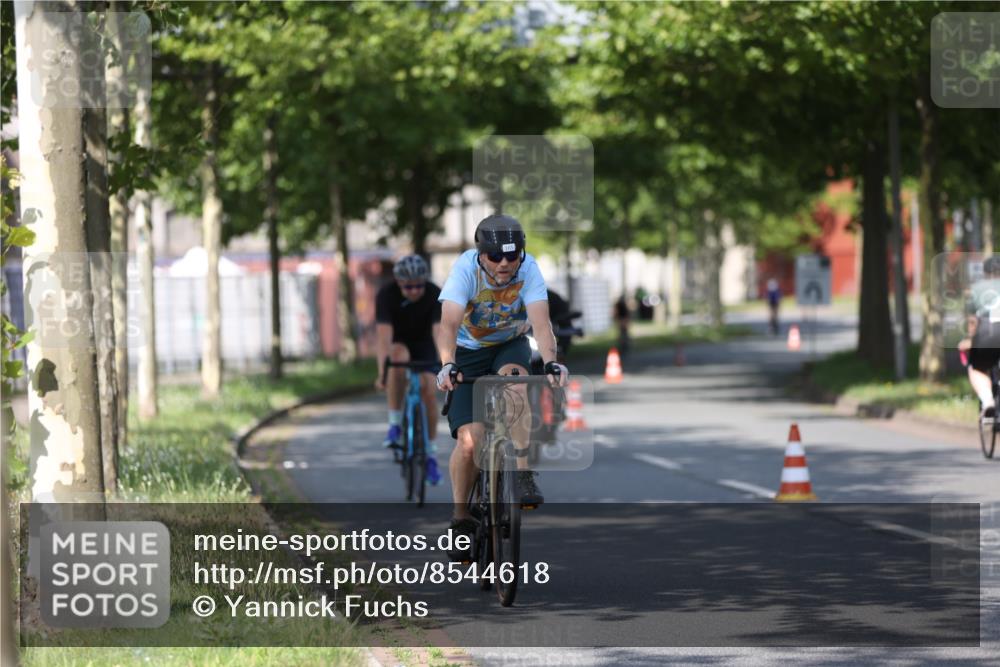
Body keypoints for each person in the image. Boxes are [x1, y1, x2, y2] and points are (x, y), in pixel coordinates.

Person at [435, 214, 568, 558]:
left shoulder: (530, 269)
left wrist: (552, 361)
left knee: (516, 385)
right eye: (496, 256)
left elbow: (540, 320)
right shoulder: (465, 270)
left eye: (513, 255)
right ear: (481, 254)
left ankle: (522, 474)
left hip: (509, 344)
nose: (505, 263)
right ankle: (462, 519)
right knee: (470, 440)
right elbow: (448, 323)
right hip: (467, 352)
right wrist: (447, 364)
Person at [375, 255, 442, 458]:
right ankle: (395, 423)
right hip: (399, 342)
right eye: (408, 287)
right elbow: (383, 338)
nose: (414, 291)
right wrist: (382, 374)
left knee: (429, 392)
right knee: (397, 357)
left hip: (425, 344)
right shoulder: (386, 294)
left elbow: (439, 333)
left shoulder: (434, 293)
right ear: (399, 283)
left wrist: (445, 366)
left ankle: (430, 450)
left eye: (418, 286)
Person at [959, 256, 1000, 418]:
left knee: (976, 368)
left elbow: (972, 321)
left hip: (987, 333)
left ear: (985, 273)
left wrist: (969, 339)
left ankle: (988, 400)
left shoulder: (976, 289)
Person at [614, 294, 631, 358]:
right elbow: (627, 313)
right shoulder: (623, 304)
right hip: (623, 319)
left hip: (621, 320)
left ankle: (623, 346)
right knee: (624, 333)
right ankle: (624, 345)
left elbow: (616, 312)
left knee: (622, 333)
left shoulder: (618, 304)